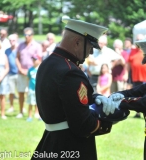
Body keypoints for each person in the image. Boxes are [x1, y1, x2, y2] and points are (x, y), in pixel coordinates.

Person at [32, 17, 114, 160]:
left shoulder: (49, 63)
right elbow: (84, 124)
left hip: (51, 140)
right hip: (71, 145)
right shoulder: (71, 71)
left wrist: (95, 98)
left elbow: (64, 99)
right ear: (77, 42)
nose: (90, 53)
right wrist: (110, 118)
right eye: (89, 47)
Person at [15, 27, 42, 118]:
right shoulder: (20, 45)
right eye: (25, 35)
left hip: (33, 73)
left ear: (32, 35)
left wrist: (30, 70)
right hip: (21, 72)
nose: (26, 37)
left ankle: (36, 113)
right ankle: (21, 111)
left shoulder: (37, 46)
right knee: (21, 92)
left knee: (34, 92)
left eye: (28, 35)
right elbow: (17, 58)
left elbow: (39, 59)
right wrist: (20, 69)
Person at [5, 34, 18, 113]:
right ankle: (11, 106)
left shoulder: (19, 50)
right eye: (10, 40)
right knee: (11, 91)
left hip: (19, 73)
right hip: (10, 74)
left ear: (16, 40)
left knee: (21, 92)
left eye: (13, 40)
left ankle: (21, 107)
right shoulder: (7, 51)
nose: (11, 42)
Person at [26, 54, 41, 122]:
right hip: (31, 89)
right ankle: (29, 116)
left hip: (39, 89)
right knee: (30, 103)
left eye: (35, 60)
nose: (34, 61)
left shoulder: (41, 69)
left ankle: (39, 115)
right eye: (33, 60)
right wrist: (27, 88)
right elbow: (28, 79)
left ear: (39, 60)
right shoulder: (30, 70)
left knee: (39, 103)